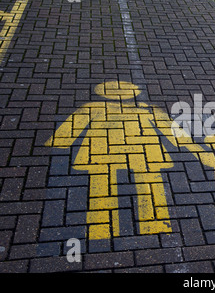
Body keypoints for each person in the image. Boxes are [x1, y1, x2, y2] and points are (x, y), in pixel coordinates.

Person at [46, 81, 174, 240]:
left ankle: (99, 226)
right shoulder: (146, 108)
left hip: (100, 150)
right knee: (149, 183)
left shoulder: (93, 107)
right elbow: (173, 132)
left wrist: (61, 142)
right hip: (144, 151)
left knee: (101, 185)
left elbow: (65, 134)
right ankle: (156, 221)